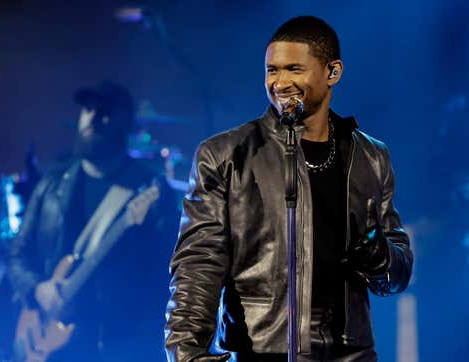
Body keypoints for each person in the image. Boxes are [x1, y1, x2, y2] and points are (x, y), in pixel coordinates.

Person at [165, 16, 414, 362]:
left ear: (333, 72)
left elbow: (399, 274)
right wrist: (187, 352)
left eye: (294, 69)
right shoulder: (227, 155)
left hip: (351, 353)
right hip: (263, 349)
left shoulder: (369, 155)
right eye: (272, 71)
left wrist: (375, 251)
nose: (280, 83)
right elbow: (198, 264)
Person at [8, 81, 177, 362]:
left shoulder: (150, 190)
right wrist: (38, 290)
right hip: (55, 347)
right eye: (87, 109)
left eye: (104, 111)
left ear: (125, 123)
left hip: (118, 346)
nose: (92, 118)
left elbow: (169, 277)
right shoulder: (52, 185)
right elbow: (17, 253)